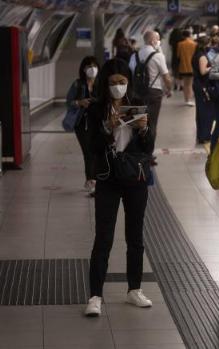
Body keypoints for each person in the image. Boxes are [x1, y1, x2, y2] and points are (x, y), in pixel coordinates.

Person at [84, 58, 155, 317]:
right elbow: (91, 146)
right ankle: (95, 296)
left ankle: (134, 289)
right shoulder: (96, 109)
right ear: (105, 84)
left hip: (135, 178)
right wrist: (107, 127)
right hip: (108, 178)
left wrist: (144, 128)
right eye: (113, 83)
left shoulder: (138, 106)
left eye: (122, 82)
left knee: (135, 236)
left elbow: (148, 148)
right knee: (103, 237)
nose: (118, 87)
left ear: (129, 82)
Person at [129, 30, 173, 161]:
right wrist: (169, 89)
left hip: (137, 93)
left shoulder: (134, 55)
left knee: (137, 122)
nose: (159, 42)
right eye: (158, 39)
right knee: (151, 124)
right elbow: (166, 76)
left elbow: (130, 73)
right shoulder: (158, 56)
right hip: (154, 93)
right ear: (153, 40)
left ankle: (137, 152)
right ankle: (148, 154)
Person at [66, 56, 99, 196]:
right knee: (88, 151)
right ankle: (91, 180)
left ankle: (94, 179)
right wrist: (80, 103)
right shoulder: (78, 84)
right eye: (88, 66)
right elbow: (69, 101)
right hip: (81, 123)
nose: (91, 69)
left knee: (96, 152)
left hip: (97, 122)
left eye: (94, 66)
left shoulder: (100, 84)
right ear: (83, 69)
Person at [192, 37, 212, 144]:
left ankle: (201, 134)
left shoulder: (196, 54)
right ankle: (204, 135)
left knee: (200, 111)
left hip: (197, 84)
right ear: (206, 44)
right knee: (205, 111)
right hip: (203, 86)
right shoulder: (202, 56)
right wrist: (212, 67)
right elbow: (203, 71)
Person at [177, 30, 197, 106]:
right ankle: (189, 100)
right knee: (190, 84)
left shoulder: (180, 44)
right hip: (192, 67)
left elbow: (178, 55)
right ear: (190, 35)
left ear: (183, 36)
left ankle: (186, 100)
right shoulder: (194, 44)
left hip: (183, 66)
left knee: (185, 84)